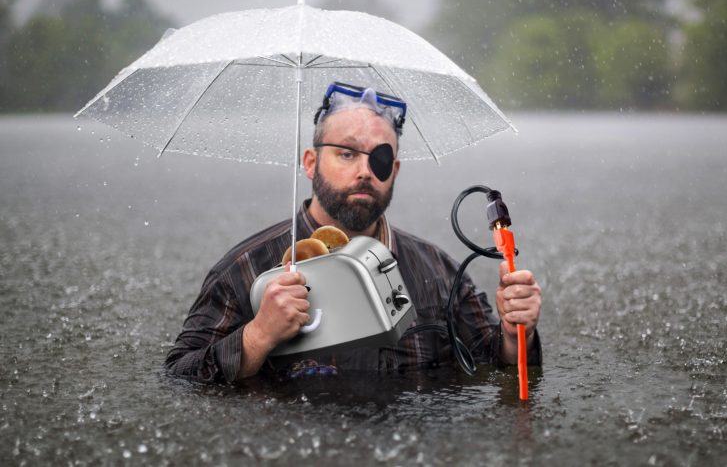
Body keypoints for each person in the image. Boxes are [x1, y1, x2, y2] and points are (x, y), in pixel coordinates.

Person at [165, 82, 542, 383]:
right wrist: (258, 336)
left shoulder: (439, 272)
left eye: (378, 158)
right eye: (346, 154)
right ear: (310, 163)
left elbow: (495, 364)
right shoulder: (245, 270)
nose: (364, 171)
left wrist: (515, 335)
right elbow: (180, 375)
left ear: (394, 170)